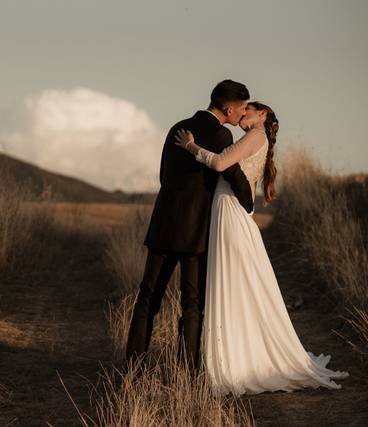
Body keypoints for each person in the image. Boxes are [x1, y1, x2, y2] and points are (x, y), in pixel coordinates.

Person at [173, 101, 350, 396]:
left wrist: (190, 146)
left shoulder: (256, 136)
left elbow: (219, 164)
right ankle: (237, 354)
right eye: (242, 111)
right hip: (229, 211)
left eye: (249, 110)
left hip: (230, 212)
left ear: (263, 115)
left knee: (231, 283)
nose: (243, 114)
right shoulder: (256, 138)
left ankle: (239, 361)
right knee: (237, 285)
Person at [125, 79, 254, 370]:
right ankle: (186, 371)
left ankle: (133, 366)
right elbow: (232, 175)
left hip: (164, 223)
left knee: (148, 299)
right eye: (242, 108)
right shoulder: (221, 135)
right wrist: (249, 203)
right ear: (228, 108)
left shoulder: (177, 127)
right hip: (195, 232)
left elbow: (163, 175)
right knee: (192, 305)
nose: (243, 114)